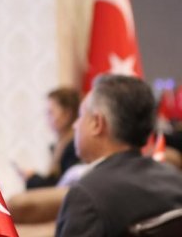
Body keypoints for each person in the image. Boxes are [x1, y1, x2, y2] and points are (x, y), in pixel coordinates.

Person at [55, 74, 182, 237]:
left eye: (80, 116)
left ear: (97, 123)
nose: (75, 125)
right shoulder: (174, 179)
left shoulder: (86, 196)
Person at [20, 87, 81, 189]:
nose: (47, 118)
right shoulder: (60, 145)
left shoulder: (74, 147)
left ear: (67, 114)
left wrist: (32, 179)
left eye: (51, 113)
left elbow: (62, 187)